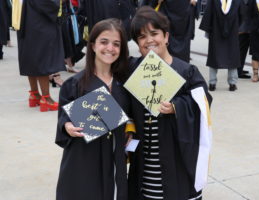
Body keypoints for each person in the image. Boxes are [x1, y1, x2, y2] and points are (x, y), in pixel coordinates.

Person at [127, 6, 212, 200]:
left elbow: (203, 103)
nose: (149, 40)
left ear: (166, 36)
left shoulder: (186, 72)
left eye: (154, 33)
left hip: (177, 161)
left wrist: (177, 106)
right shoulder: (132, 70)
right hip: (145, 161)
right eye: (141, 36)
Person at [55, 18, 130, 200]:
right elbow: (64, 118)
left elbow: (132, 114)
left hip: (115, 156)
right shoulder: (74, 84)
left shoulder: (125, 83)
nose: (110, 48)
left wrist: (131, 128)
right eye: (104, 42)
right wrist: (67, 127)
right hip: (84, 157)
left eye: (116, 44)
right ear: (93, 45)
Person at [16, 0, 65, 111]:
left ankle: (34, 94)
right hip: (40, 23)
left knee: (31, 57)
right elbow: (49, 3)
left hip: (25, 20)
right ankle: (46, 99)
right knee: (43, 57)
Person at [199, 0, 242, 92]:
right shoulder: (237, 1)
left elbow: (208, 15)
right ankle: (232, 83)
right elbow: (242, 16)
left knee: (215, 57)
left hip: (216, 32)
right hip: (231, 33)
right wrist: (238, 28)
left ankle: (212, 83)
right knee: (232, 57)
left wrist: (208, 32)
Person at [238, 0, 253, 79]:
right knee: (241, 51)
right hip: (243, 29)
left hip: (242, 28)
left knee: (241, 50)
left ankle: (239, 69)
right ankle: (238, 71)